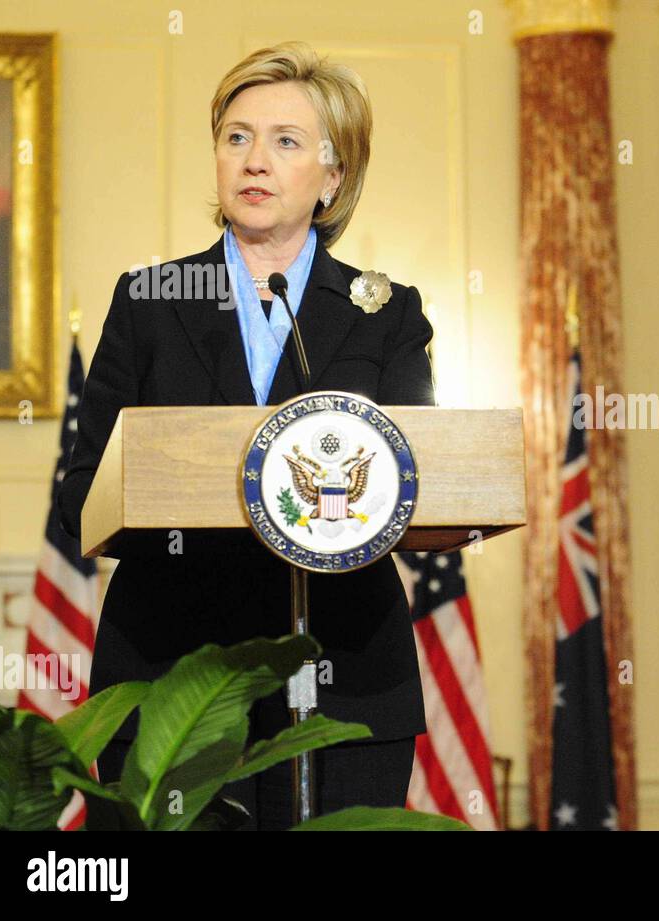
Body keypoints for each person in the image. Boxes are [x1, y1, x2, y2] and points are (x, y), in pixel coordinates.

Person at [57, 42, 435, 829]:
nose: (254, 159)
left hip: (343, 679)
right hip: (173, 682)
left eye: (286, 141)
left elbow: (418, 483)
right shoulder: (150, 301)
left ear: (332, 179)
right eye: (236, 136)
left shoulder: (388, 313)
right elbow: (79, 497)